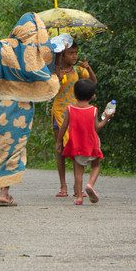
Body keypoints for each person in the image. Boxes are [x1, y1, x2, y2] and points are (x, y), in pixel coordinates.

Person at [0, 13, 60, 206]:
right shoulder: (36, 54)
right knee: (14, 146)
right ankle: (5, 193)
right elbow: (48, 74)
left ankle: (2, 190)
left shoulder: (3, 47)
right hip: (21, 108)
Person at [51, 42, 97, 197]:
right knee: (61, 149)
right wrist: (57, 78)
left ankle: (78, 187)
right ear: (62, 54)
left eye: (76, 53)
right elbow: (47, 89)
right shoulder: (54, 71)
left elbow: (93, 83)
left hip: (76, 113)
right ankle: (62, 186)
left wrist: (89, 67)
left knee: (76, 148)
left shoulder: (78, 70)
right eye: (70, 53)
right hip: (59, 112)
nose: (74, 56)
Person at [55, 79, 111, 205]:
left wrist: (59, 141)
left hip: (76, 145)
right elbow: (97, 127)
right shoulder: (93, 110)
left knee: (78, 172)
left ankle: (79, 197)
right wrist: (106, 118)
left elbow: (63, 127)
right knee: (96, 166)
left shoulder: (70, 109)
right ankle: (90, 184)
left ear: (75, 94)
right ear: (92, 96)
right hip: (91, 144)